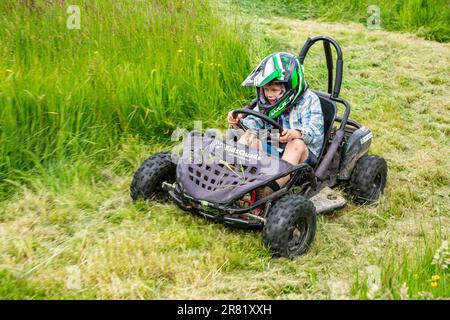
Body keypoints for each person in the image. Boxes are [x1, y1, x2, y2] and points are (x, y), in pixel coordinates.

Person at [227, 52, 324, 209]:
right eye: (266, 89)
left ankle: (266, 194)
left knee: (296, 143)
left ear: (288, 87)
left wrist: (295, 133)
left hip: (302, 158)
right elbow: (253, 123)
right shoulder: (267, 102)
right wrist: (238, 123)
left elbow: (315, 131)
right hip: (275, 149)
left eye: (274, 89)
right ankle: (233, 184)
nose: (269, 94)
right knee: (248, 137)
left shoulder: (309, 100)